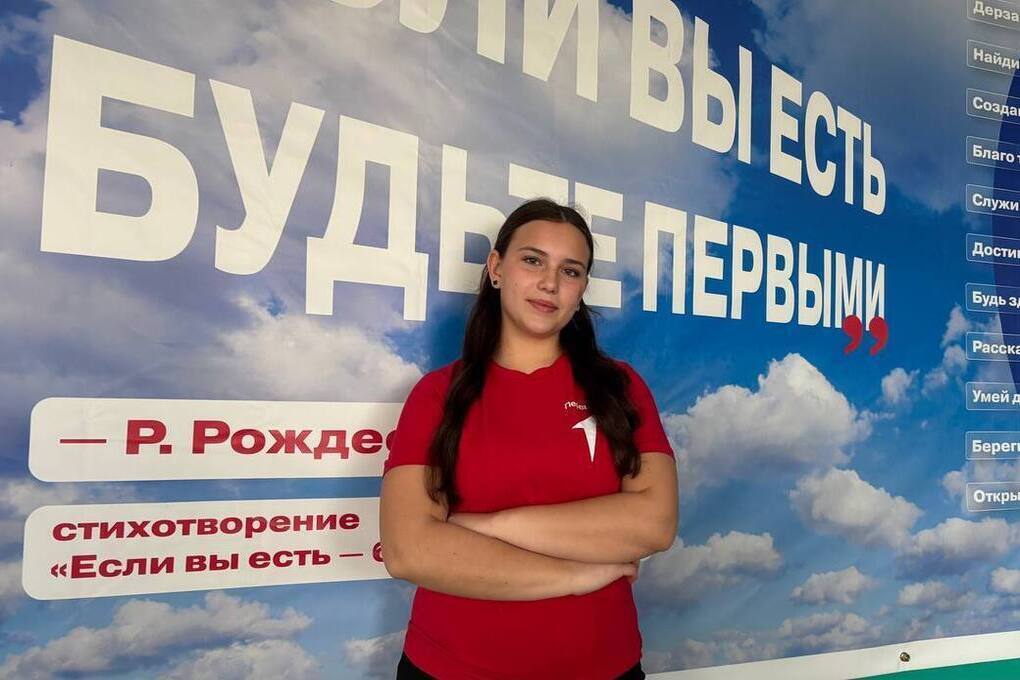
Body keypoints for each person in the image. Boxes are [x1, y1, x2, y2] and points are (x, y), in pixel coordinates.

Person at [379, 198, 679, 679]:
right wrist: (578, 576)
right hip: (450, 669)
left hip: (605, 667)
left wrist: (481, 526)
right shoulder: (436, 395)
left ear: (581, 289)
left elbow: (654, 524)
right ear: (496, 268)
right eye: (533, 260)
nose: (550, 283)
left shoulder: (620, 387)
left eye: (570, 270)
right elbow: (408, 550)